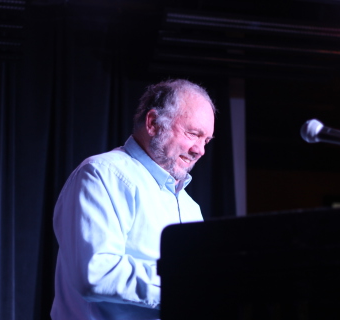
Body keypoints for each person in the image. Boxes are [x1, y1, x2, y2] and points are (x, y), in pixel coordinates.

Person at [51, 79, 216, 320]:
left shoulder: (191, 207)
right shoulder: (101, 174)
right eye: (193, 134)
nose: (199, 150)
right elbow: (96, 273)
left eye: (207, 141)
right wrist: (184, 282)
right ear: (152, 123)